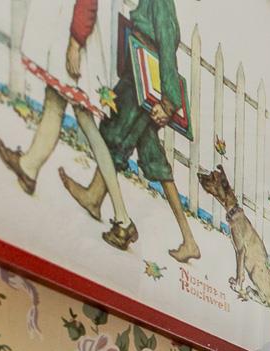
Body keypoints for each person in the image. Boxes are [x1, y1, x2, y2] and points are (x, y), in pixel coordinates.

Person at [0, 0, 138, 249]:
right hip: (74, 37)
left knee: (83, 122)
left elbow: (88, 3)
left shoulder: (77, 37)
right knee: (55, 103)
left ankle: (123, 219)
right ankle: (28, 167)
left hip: (78, 41)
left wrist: (75, 43)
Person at [63, 0, 198, 261]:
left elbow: (167, 45)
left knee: (114, 132)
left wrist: (168, 103)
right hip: (140, 71)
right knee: (152, 156)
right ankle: (189, 240)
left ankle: (110, 213)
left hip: (144, 78)